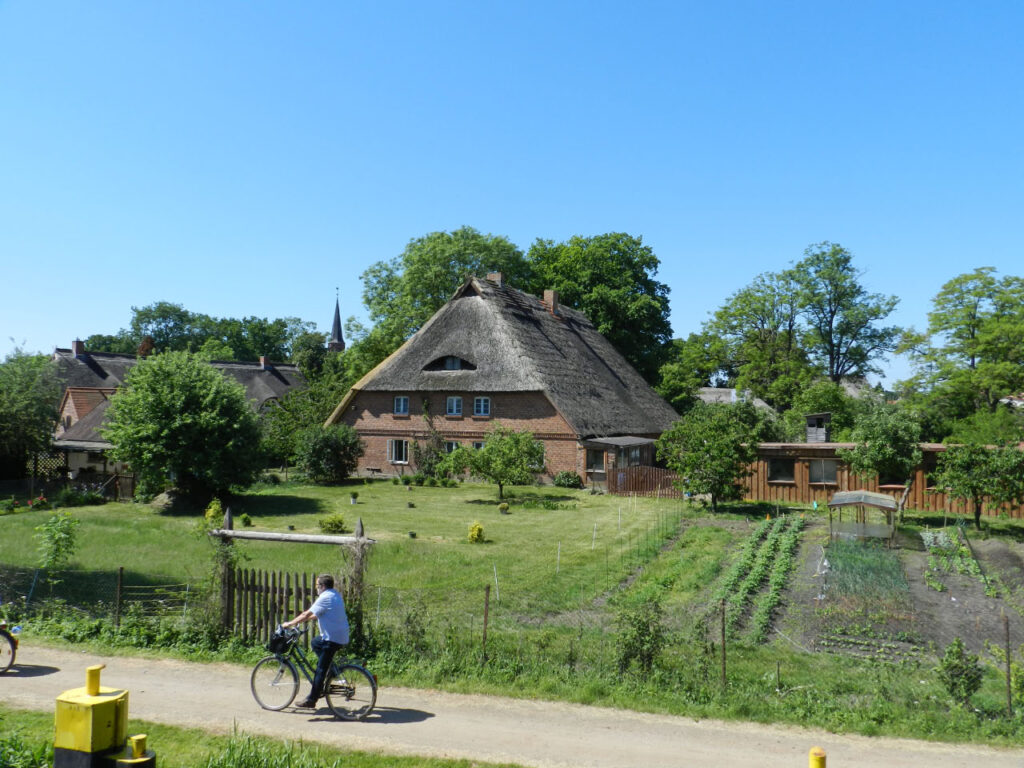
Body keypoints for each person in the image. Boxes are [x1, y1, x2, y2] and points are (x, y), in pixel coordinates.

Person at [282, 573, 350, 708]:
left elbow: (306, 613)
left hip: (332, 639)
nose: (316, 588)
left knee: (320, 670)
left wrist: (290, 623)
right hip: (340, 635)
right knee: (315, 642)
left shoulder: (325, 597)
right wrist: (306, 619)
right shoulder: (334, 595)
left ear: (323, 586)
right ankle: (331, 669)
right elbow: (317, 613)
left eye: (317, 585)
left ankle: (312, 699)